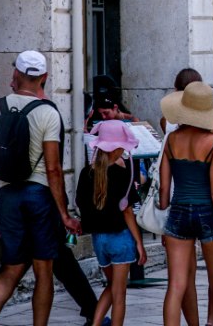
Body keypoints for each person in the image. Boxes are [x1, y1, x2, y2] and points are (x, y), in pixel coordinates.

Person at [0, 50, 81, 326]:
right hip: (39, 196)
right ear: (44, 77)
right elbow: (53, 169)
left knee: (11, 267)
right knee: (43, 270)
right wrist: (64, 214)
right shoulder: (48, 112)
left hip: (9, 195)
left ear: (16, 75)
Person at [158, 81, 213, 326]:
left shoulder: (171, 140)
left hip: (178, 212)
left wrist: (164, 219)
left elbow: (164, 187)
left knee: (176, 285)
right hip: (208, 215)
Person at [76, 120, 145, 326]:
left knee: (112, 284)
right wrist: (139, 243)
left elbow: (81, 204)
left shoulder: (86, 173)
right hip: (120, 238)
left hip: (99, 240)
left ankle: (96, 323)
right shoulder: (123, 174)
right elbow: (127, 212)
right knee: (119, 294)